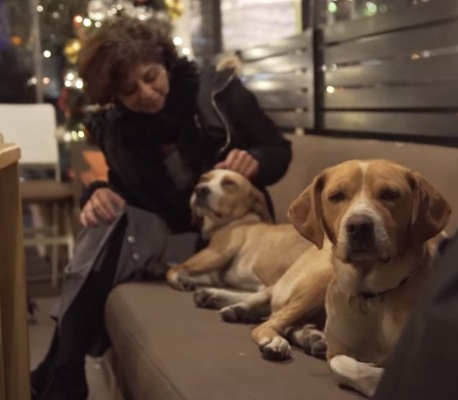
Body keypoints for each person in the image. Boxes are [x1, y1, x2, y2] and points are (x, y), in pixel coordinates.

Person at [31, 17, 292, 400]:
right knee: (107, 217)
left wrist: (256, 159)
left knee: (110, 232)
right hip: (170, 242)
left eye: (151, 77)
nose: (146, 93)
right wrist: (98, 192)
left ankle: (61, 369)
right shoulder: (117, 130)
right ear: (114, 96)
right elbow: (127, 195)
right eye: (129, 90)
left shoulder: (221, 94)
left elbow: (279, 151)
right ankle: (65, 369)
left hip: (230, 239)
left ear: (164, 61)